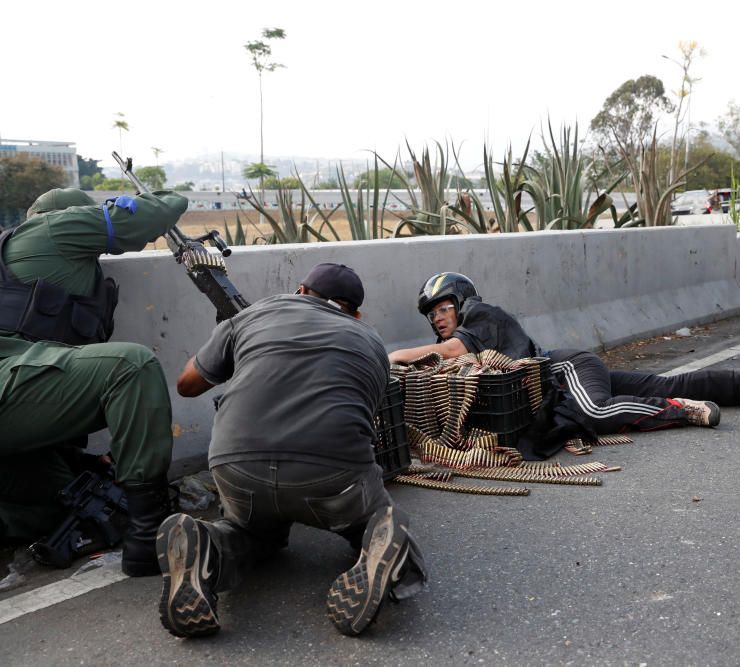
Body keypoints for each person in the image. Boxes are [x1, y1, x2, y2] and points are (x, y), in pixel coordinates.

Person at [159, 262, 427, 639]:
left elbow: (187, 385)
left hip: (237, 463)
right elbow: (364, 415)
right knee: (377, 520)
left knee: (249, 533)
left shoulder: (253, 315)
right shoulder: (371, 343)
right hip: (331, 473)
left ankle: (209, 547)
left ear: (301, 291)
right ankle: (376, 543)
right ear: (355, 312)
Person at [389, 272, 740, 455]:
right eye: (433, 314)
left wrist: (387, 356)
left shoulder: (482, 316)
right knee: (660, 383)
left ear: (461, 302)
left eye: (444, 307)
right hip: (569, 377)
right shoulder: (459, 341)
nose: (439, 318)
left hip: (566, 371)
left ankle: (680, 413)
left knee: (598, 410)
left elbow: (452, 352)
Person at [0, 187, 188, 576]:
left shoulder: (54, 266)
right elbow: (163, 210)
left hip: (14, 411)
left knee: (70, 502)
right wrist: (139, 197)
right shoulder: (51, 229)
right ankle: (148, 531)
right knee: (130, 366)